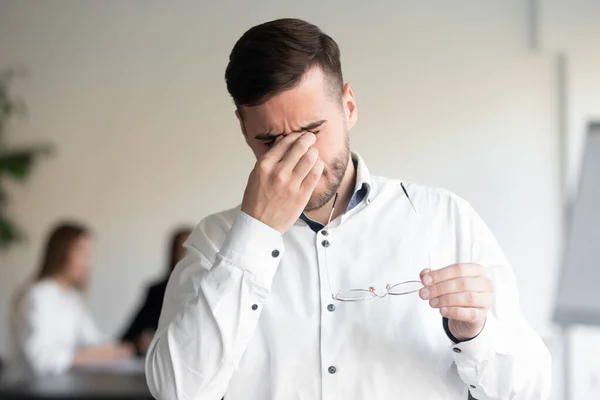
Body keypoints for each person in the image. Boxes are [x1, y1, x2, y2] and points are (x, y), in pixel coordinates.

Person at [146, 18, 551, 400]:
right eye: (270, 140)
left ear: (349, 107)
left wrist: (475, 335)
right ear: (243, 129)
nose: (298, 157)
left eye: (311, 131)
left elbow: (529, 390)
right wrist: (254, 235)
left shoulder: (445, 220)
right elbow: (177, 391)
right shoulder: (216, 241)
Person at [4, 222, 133, 382]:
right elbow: (41, 361)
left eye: (90, 254)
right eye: (82, 253)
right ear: (61, 253)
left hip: (60, 386)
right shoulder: (38, 296)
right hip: (27, 389)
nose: (89, 263)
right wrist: (88, 356)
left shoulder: (71, 297)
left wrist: (119, 350)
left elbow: (93, 340)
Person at [120, 228, 192, 356]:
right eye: (182, 250)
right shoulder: (157, 291)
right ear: (173, 254)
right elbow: (128, 337)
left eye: (192, 251)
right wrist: (140, 343)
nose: (187, 256)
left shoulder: (209, 292)